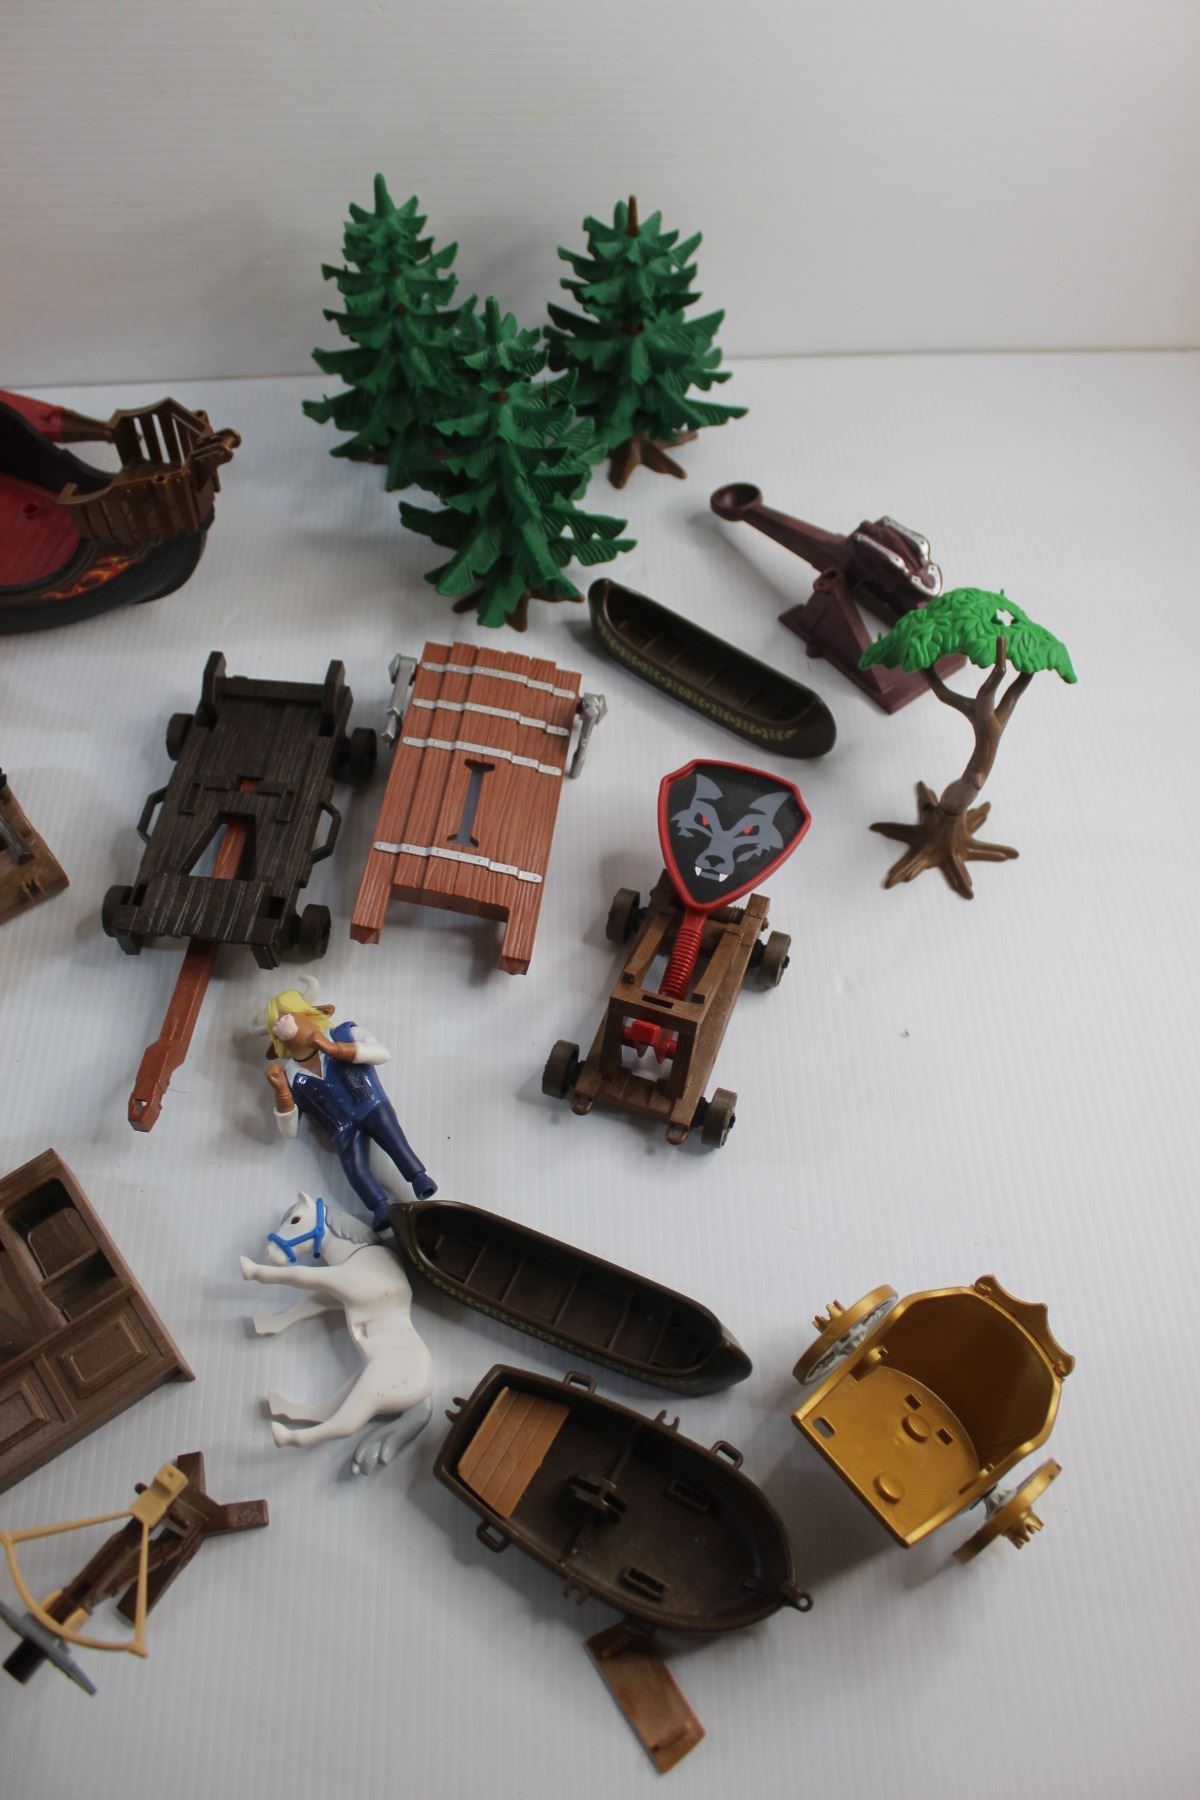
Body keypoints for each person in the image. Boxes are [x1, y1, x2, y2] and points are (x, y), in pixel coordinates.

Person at [260, 987, 436, 1229]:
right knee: (354, 1167)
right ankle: (379, 1207)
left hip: (371, 1104)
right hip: (340, 1128)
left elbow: (382, 1054)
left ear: (310, 1015)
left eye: (291, 1017)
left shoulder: (344, 1034)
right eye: (279, 1027)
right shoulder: (290, 1076)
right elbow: (289, 1132)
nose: (287, 1027)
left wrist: (336, 1049)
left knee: (394, 1139)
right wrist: (281, 1092)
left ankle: (419, 1178)